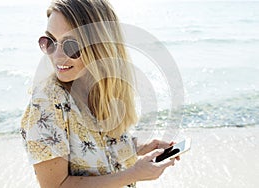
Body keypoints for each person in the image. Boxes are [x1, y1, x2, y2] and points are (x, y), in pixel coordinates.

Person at [20, 0, 178, 187]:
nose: (57, 56)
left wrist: (141, 148)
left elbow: (97, 149)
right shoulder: (47, 102)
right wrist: (133, 174)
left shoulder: (98, 90)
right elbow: (56, 186)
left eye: (71, 46)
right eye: (50, 42)